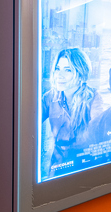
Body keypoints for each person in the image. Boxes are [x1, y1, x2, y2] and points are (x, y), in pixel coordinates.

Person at [41, 47, 96, 177]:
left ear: (81, 73)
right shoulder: (50, 97)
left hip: (87, 167)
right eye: (57, 68)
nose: (59, 75)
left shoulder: (93, 98)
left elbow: (97, 134)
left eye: (68, 70)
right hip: (58, 169)